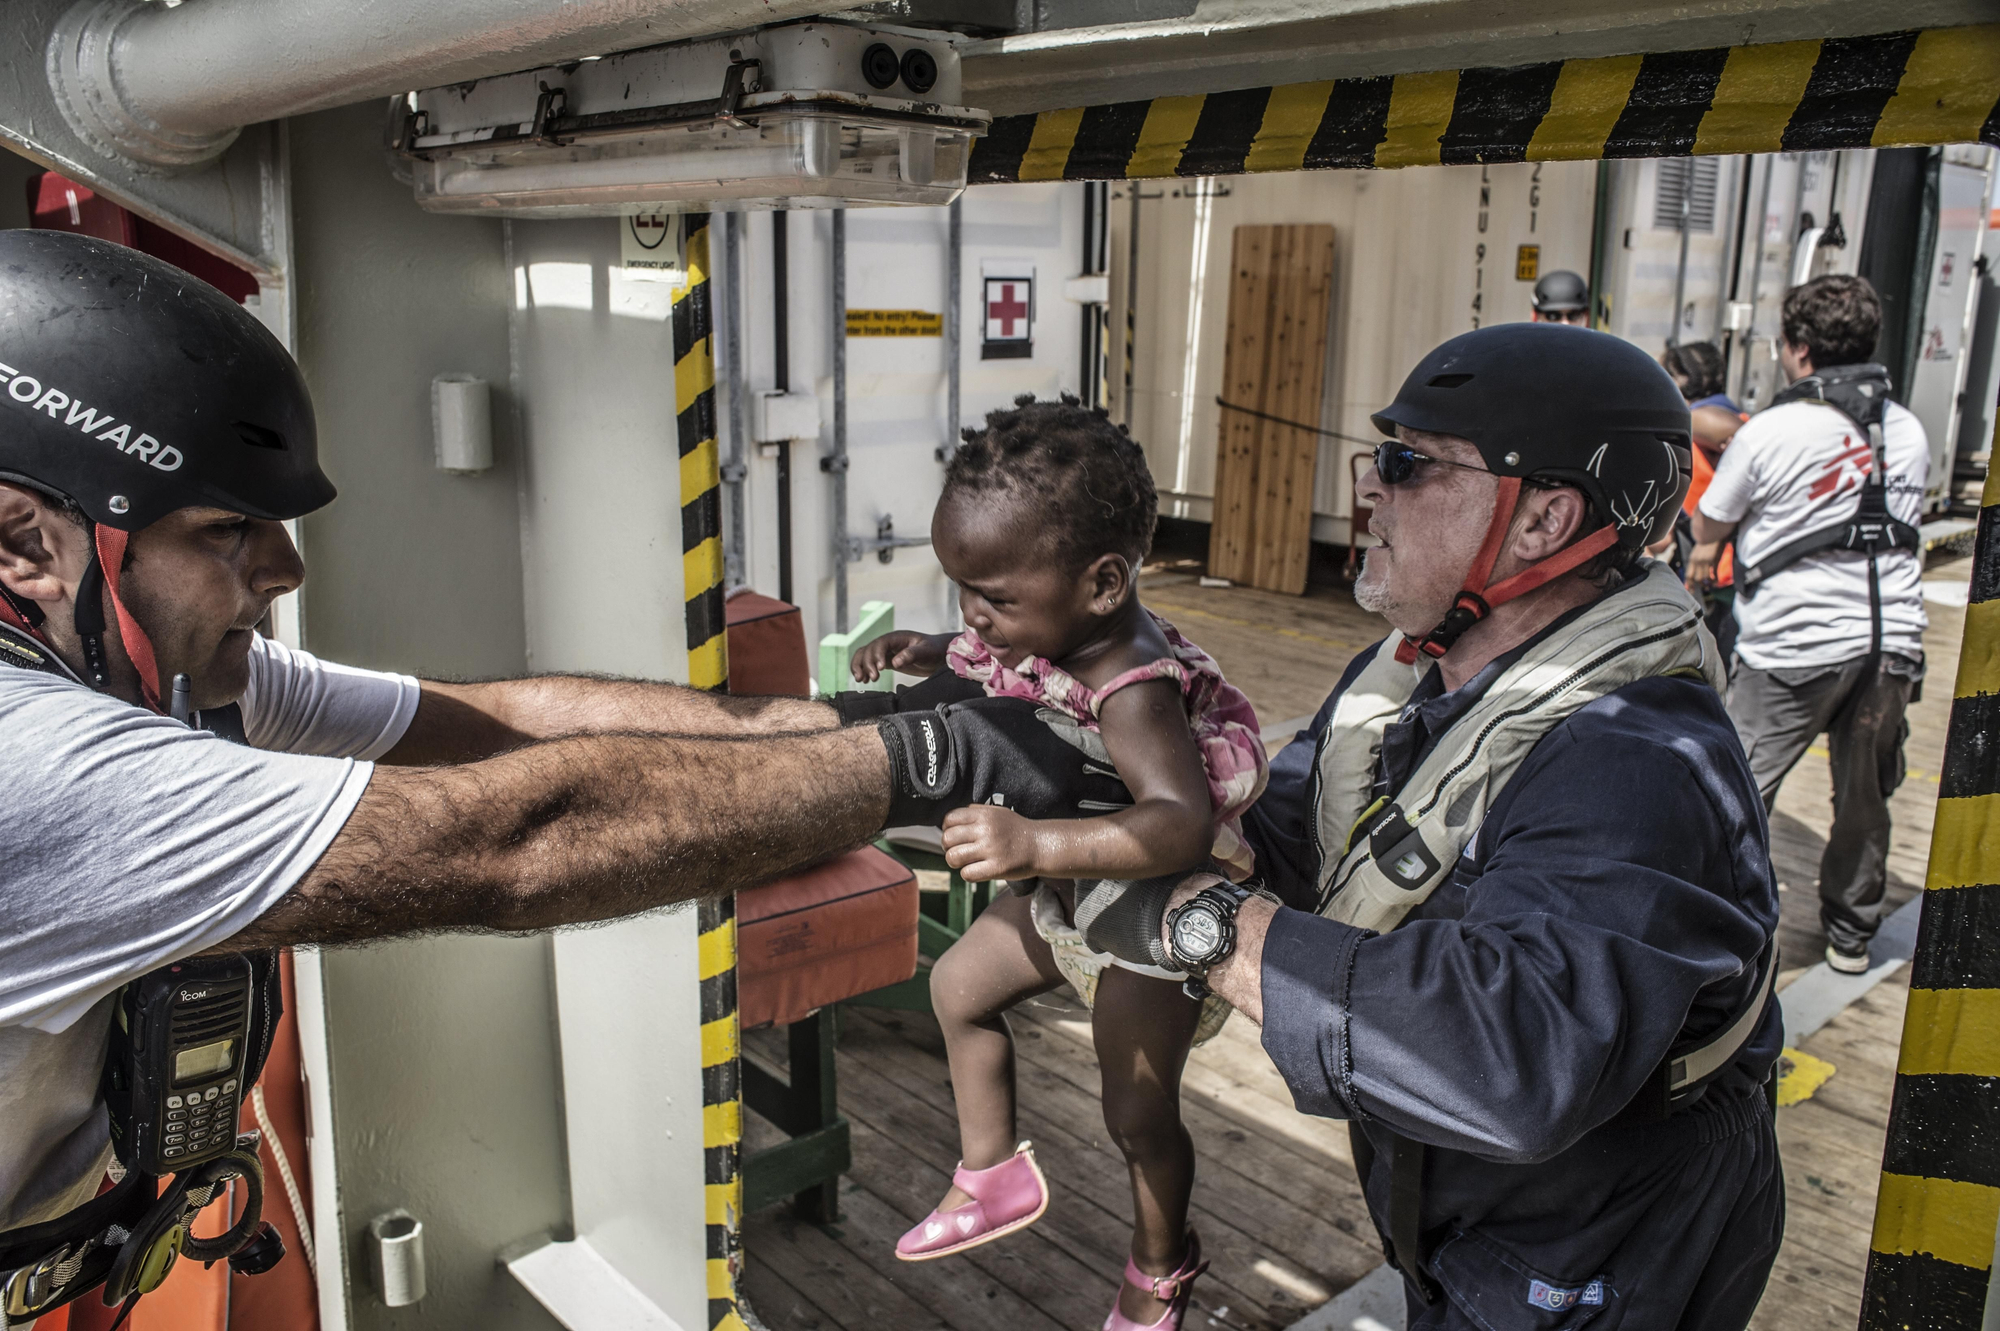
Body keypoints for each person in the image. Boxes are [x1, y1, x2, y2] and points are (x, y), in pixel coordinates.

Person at [0, 232, 1127, 1320]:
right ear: (25, 542)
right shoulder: (33, 756)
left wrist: (864, 716)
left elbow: (494, 723)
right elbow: (509, 838)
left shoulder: (181, 680)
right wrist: (940, 759)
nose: (284, 568)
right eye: (225, 529)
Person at [1070, 324, 1785, 1329]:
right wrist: (1108, 789)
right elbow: (1295, 831)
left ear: (1541, 517)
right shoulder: (1415, 682)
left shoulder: (1635, 760)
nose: (1368, 490)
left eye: (1407, 464)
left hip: (1591, 1247)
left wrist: (1207, 924)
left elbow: (1512, 1056)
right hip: (1459, 1206)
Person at [844, 397, 1267, 1331]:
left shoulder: (1131, 681)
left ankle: (1161, 1265)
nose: (975, 616)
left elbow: (1177, 823)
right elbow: (1005, 660)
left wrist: (1032, 844)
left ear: (1104, 583)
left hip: (1152, 913)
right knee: (958, 984)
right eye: (962, 590)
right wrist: (932, 651)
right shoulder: (1058, 623)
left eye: (995, 598)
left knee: (1136, 1111)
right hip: (1078, 890)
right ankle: (991, 1171)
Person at [1689, 274, 1926, 974]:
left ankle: (1720, 929)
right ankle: (1851, 934)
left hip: (1795, 642)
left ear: (1797, 349)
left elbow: (1709, 522)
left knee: (1735, 789)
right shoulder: (1906, 427)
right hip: (1892, 646)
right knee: (1863, 797)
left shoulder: (1773, 430)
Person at [1659, 340, 1748, 659]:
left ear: (1678, 379)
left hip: (1713, 575)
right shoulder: (1728, 408)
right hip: (1729, 573)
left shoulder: (1695, 418)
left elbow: (1743, 439)